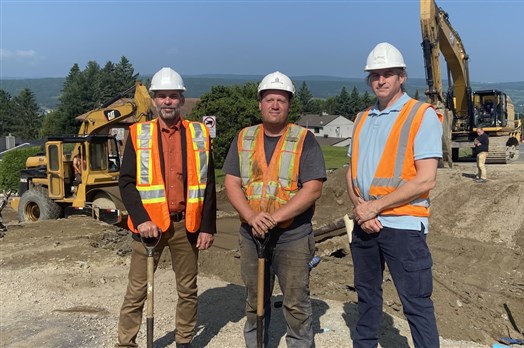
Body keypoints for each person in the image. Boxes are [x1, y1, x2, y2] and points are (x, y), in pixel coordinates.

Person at [346, 42, 442, 348]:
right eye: (375, 75)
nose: (381, 80)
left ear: (402, 77)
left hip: (403, 227)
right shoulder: (362, 117)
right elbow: (351, 172)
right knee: (367, 297)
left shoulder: (421, 115)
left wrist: (374, 208)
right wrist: (361, 208)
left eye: (388, 73)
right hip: (366, 223)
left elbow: (426, 180)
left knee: (415, 303)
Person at [223, 71, 326, 348]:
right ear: (260, 103)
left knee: (296, 303)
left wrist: (274, 219)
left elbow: (313, 188)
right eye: (270, 99)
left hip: (292, 236)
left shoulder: (304, 139)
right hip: (251, 234)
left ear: (290, 105)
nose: (275, 105)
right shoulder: (244, 138)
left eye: (281, 100)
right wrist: (251, 216)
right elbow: (231, 183)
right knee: (255, 301)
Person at [116, 67, 216, 348]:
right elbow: (126, 182)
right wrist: (142, 219)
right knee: (137, 291)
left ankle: (184, 341)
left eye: (173, 96)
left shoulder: (199, 134)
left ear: (182, 100)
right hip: (149, 227)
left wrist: (208, 226)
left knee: (187, 290)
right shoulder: (139, 134)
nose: (168, 101)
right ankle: (126, 343)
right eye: (162, 96)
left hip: (187, 225)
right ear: (154, 100)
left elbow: (207, 184)